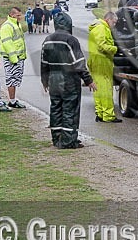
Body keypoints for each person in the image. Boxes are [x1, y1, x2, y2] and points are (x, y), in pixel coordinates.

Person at [41, 12, 97, 149]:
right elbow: (79, 63)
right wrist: (89, 80)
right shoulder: (71, 40)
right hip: (69, 80)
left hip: (53, 79)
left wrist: (45, 81)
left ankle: (57, 138)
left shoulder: (47, 40)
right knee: (70, 110)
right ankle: (68, 141)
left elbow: (43, 63)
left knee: (55, 108)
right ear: (68, 24)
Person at [88, 11, 122, 123]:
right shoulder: (102, 28)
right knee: (106, 89)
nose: (115, 25)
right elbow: (102, 46)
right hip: (102, 62)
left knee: (98, 89)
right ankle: (108, 115)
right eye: (114, 22)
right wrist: (116, 49)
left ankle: (100, 114)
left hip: (96, 61)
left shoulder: (97, 27)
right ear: (108, 19)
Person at [0, 6, 28, 109]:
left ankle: (13, 99)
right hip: (12, 58)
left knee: (16, 79)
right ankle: (11, 101)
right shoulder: (7, 26)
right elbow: (8, 43)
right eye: (18, 15)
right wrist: (14, 59)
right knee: (11, 79)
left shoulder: (16, 24)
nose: (20, 17)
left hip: (18, 57)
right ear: (12, 15)